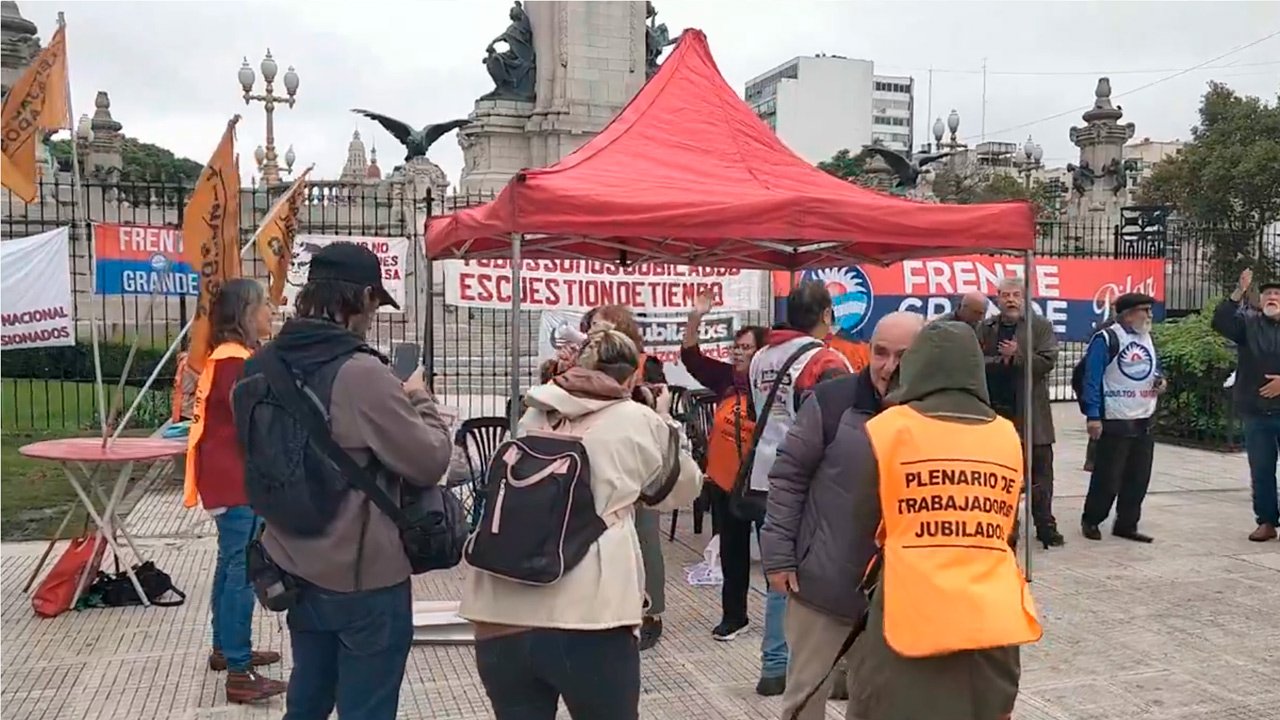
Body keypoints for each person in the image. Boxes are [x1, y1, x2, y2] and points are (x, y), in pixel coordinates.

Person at [242, 242, 454, 720]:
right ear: (360, 297)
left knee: (309, 699)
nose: (374, 315)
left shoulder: (261, 366)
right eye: (376, 303)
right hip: (364, 583)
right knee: (367, 708)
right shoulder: (361, 373)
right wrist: (418, 398)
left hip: (292, 564)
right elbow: (429, 461)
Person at [461, 321, 703, 720]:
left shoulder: (533, 413)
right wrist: (666, 421)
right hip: (592, 620)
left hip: (498, 615)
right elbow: (684, 489)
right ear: (634, 373)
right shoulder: (637, 420)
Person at [846, 320, 1042, 720]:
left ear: (916, 366)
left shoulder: (887, 429)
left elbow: (861, 518)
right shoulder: (1007, 435)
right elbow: (1008, 528)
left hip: (909, 613)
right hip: (990, 619)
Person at [763, 311, 923, 718]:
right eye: (880, 353)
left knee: (875, 703)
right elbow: (788, 476)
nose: (888, 367)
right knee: (805, 698)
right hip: (824, 583)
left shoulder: (932, 413)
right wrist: (779, 556)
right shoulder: (834, 401)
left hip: (898, 595)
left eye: (903, 355)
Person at [748, 280, 854, 696]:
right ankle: (829, 667)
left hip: (763, 475)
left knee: (779, 572)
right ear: (827, 314)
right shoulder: (826, 360)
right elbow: (841, 424)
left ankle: (774, 664)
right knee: (827, 575)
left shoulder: (761, 355)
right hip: (811, 481)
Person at [183, 278, 283, 703]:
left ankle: (226, 648)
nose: (270, 314)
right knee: (242, 571)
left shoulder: (226, 358)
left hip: (224, 479)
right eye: (263, 307)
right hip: (237, 481)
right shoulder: (235, 362)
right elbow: (257, 424)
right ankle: (239, 671)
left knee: (230, 568)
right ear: (245, 313)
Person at [680, 292, 767, 641]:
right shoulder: (725, 379)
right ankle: (735, 616)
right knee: (732, 554)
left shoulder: (772, 386)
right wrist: (696, 316)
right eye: (737, 346)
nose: (739, 352)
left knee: (776, 557)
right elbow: (691, 357)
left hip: (762, 483)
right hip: (723, 481)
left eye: (746, 347)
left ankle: (782, 623)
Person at [593, 303, 670, 650]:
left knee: (645, 535)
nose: (595, 331)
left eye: (601, 325)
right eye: (592, 326)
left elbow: (657, 403)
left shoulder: (646, 365)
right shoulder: (586, 365)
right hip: (606, 463)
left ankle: (651, 610)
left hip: (639, 460)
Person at [979, 276, 1063, 548]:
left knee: (1040, 471)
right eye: (1005, 295)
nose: (1011, 300)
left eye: (1016, 294)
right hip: (998, 413)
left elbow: (1047, 361)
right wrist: (999, 360)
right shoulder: (986, 327)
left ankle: (1045, 524)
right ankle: (1006, 524)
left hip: (1032, 412)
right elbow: (976, 361)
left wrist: (1018, 354)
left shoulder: (1040, 327)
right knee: (1002, 473)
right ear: (997, 298)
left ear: (1025, 297)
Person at [1079, 292, 1165, 543]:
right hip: (1115, 416)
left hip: (1143, 415)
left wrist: (1160, 379)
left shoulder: (1147, 337)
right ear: (1128, 314)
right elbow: (1092, 378)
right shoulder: (1106, 338)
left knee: (1138, 476)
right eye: (1144, 310)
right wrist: (1093, 415)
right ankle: (1092, 519)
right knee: (1108, 475)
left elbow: (1153, 366)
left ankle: (1127, 523)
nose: (1149, 315)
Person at [1211, 268, 1280, 542]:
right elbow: (1221, 322)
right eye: (1267, 294)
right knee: (1261, 470)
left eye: (1277, 294)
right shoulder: (1248, 324)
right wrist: (1239, 291)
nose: (1272, 297)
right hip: (1256, 411)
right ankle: (1266, 521)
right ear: (1260, 300)